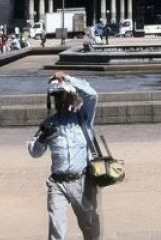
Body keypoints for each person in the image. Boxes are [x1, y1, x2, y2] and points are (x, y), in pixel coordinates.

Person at [27, 71, 100, 240]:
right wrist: (43, 139)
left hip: (81, 182)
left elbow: (92, 95)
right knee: (56, 230)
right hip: (57, 184)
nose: (60, 101)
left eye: (64, 96)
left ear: (72, 97)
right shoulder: (49, 123)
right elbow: (34, 152)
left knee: (89, 225)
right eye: (57, 98)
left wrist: (67, 78)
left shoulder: (84, 118)